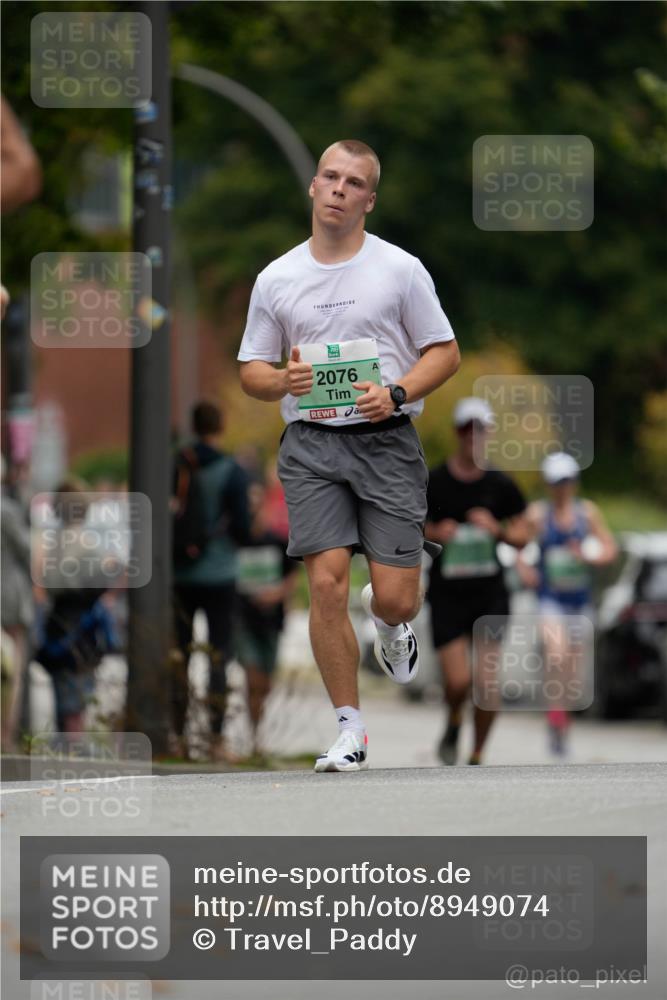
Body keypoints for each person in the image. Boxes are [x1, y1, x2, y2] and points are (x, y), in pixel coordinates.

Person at [238, 139, 460, 772]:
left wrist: (395, 394)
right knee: (326, 581)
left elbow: (444, 352)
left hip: (386, 443)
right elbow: (251, 370)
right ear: (313, 187)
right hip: (310, 446)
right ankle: (350, 730)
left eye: (353, 182)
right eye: (329, 177)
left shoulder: (400, 270)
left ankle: (389, 625)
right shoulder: (277, 278)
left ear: (369, 198)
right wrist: (282, 380)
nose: (339, 189)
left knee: (395, 598)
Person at [424, 398, 531, 765]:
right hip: (448, 593)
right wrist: (436, 531)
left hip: (489, 593)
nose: (475, 437)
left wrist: (497, 530)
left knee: (486, 685)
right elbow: (410, 527)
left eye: (481, 430)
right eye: (468, 430)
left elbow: (524, 534)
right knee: (457, 682)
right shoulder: (435, 481)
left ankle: (476, 754)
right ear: (457, 433)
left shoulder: (500, 484)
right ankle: (454, 719)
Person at [519, 452, 617, 754]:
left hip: (579, 601)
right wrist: (527, 571)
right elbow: (517, 546)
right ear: (549, 485)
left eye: (568, 481)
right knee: (557, 655)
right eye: (557, 482)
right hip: (551, 600)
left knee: (571, 673)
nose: (563, 487)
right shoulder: (538, 514)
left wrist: (588, 556)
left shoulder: (587, 513)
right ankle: (555, 716)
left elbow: (609, 549)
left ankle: (560, 723)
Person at [171, 401, 250, 759]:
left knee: (180, 654)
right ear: (220, 425)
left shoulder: (177, 465)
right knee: (219, 655)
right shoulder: (232, 471)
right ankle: (216, 739)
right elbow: (244, 530)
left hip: (180, 575)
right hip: (219, 574)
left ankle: (178, 736)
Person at [233, 481, 299, 758]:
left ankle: (257, 732)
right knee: (253, 677)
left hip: (271, 620)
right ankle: (254, 736)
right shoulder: (235, 539)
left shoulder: (276, 541)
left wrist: (278, 594)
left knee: (266, 683)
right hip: (242, 618)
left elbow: (293, 574)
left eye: (256, 502)